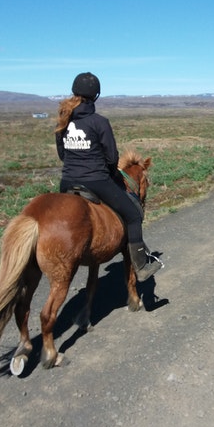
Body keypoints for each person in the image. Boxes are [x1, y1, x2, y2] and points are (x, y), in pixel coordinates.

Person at [55, 72, 163, 282]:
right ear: (96, 96)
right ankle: (140, 266)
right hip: (97, 181)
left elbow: (62, 155)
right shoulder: (99, 121)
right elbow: (112, 157)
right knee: (133, 214)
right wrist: (111, 174)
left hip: (66, 182)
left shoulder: (64, 119)